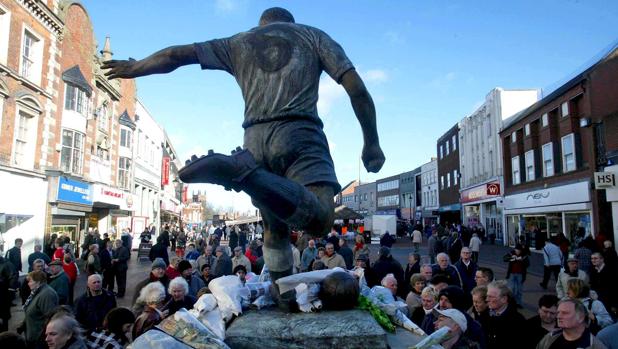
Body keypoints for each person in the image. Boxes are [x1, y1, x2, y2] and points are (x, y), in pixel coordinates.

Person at [537, 298, 607, 349]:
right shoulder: (550, 337)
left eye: (565, 313)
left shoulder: (595, 346)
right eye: (558, 312)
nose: (558, 316)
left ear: (580, 317)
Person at [20, 270, 59, 348]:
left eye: (30, 281)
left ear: (38, 282)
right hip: (34, 335)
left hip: (39, 339)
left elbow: (50, 318)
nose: (28, 284)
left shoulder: (47, 294)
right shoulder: (37, 292)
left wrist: (43, 338)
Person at [484, 280, 527, 349]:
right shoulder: (486, 312)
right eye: (487, 296)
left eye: (491, 297)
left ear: (504, 299)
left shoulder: (518, 321)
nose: (486, 299)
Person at [0, 254, 16, 332]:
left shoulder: (6, 264)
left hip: (3, 294)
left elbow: (12, 276)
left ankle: (4, 335)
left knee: (4, 316)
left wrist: (10, 290)